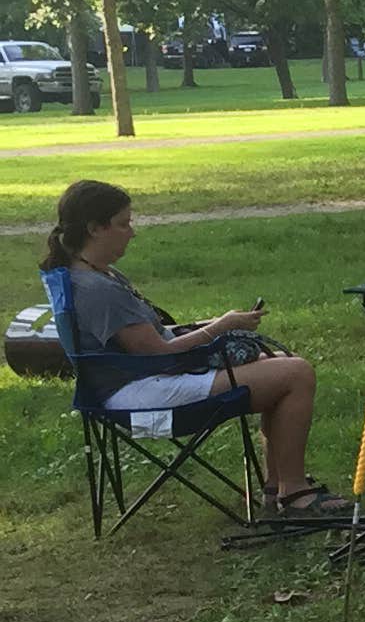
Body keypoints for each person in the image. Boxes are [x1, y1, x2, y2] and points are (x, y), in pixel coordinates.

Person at [43, 178, 346, 519]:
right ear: (95, 228)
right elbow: (158, 353)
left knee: (279, 364)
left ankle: (277, 489)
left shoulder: (93, 275)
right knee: (296, 373)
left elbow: (155, 335)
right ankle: (294, 493)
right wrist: (220, 327)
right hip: (138, 394)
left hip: (136, 381)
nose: (132, 232)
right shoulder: (97, 288)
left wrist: (212, 322)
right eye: (123, 224)